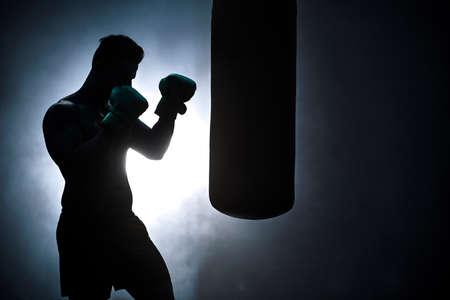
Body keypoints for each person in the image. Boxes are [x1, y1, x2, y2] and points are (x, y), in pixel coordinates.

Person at [42, 35, 196, 300]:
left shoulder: (113, 112)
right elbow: (76, 169)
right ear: (99, 63)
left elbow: (155, 149)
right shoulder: (63, 112)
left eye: (132, 77)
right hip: (82, 229)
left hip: (124, 224)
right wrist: (117, 121)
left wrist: (170, 106)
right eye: (123, 74)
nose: (128, 83)